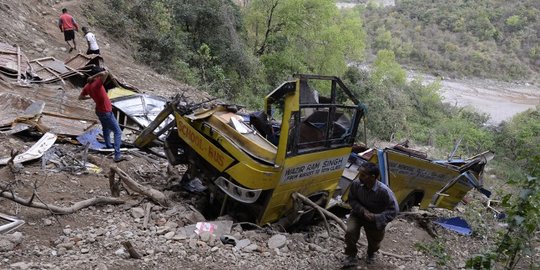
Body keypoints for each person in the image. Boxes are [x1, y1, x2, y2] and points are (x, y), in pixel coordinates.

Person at [343, 162, 399, 267]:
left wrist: (376, 217)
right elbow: (352, 200)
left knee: (375, 242)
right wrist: (362, 210)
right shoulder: (356, 184)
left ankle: (371, 253)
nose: (360, 177)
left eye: (363, 175)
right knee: (350, 233)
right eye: (360, 173)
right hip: (358, 215)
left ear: (373, 177)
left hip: (375, 220)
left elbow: (394, 210)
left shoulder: (384, 191)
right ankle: (351, 255)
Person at [78, 70, 126, 162]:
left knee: (106, 128)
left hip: (99, 111)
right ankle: (117, 155)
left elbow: (80, 97)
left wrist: (91, 97)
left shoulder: (87, 87)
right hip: (105, 111)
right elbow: (106, 73)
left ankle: (108, 145)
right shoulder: (97, 84)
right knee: (118, 132)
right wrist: (93, 77)